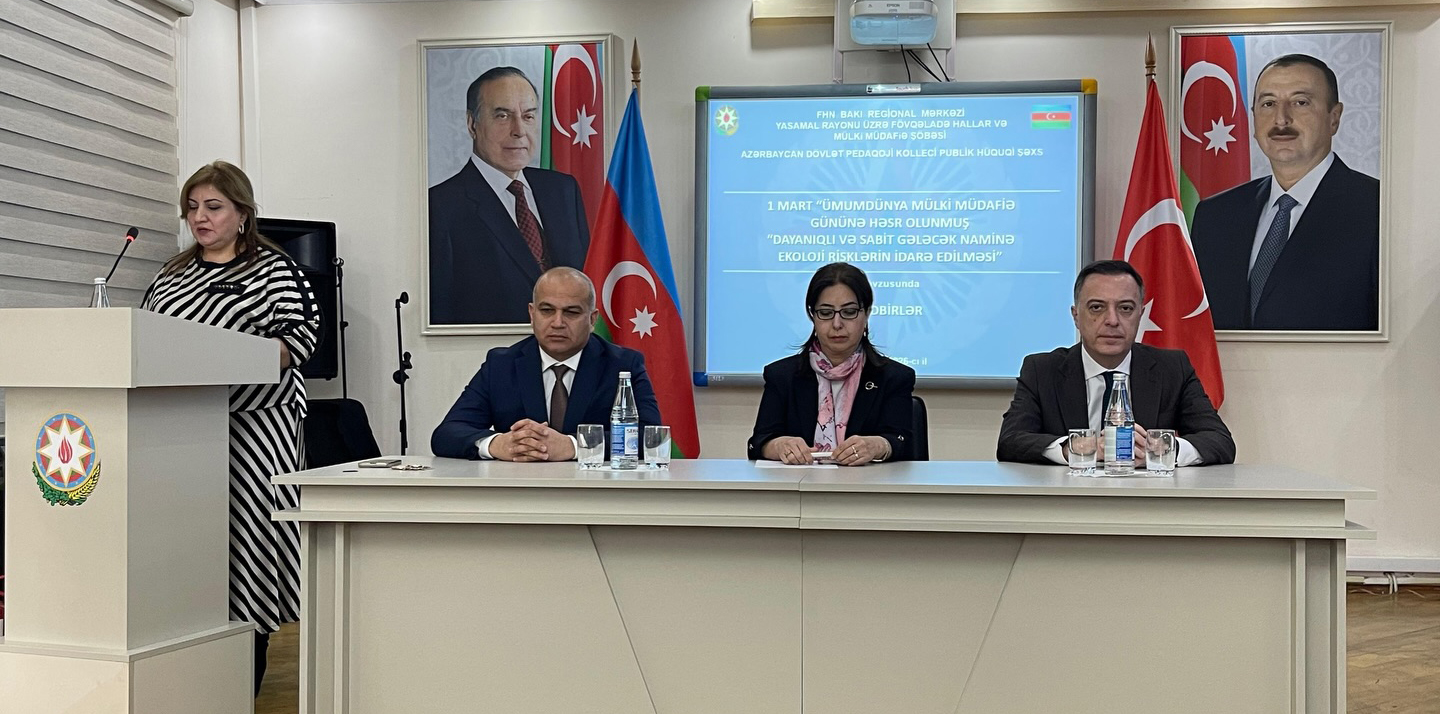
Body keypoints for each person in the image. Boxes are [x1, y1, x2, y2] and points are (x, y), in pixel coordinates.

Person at [141, 160, 319, 695]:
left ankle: (243, 685)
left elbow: (300, 340)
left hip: (255, 430)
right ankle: (192, 679)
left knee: (248, 551)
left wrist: (235, 357)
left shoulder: (273, 269)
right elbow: (146, 339)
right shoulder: (172, 274)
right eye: (192, 207)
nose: (200, 217)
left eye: (213, 207)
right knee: (190, 548)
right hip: (181, 429)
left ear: (242, 214)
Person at [1191, 53, 1379, 331]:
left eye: (1300, 102)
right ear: (1253, 119)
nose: (1281, 119)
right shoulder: (1215, 215)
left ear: (1334, 118)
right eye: (1268, 104)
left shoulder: (1378, 208)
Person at [997, 260, 1235, 466]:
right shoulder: (1042, 371)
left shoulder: (1172, 368)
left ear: (1140, 315)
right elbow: (1010, 441)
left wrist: (1162, 449)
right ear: (1076, 316)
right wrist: (1077, 448)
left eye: (1125, 308)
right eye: (1096, 308)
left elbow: (1220, 441)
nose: (1112, 320)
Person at [432, 267, 660, 460]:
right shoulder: (501, 365)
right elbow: (447, 434)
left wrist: (574, 446)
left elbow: (650, 436)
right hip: (522, 491)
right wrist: (496, 444)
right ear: (532, 314)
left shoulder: (623, 365)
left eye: (571, 312)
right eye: (547, 310)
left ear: (592, 319)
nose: (557, 322)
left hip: (595, 492)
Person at [429, 66, 591, 326]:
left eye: (528, 116)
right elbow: (441, 316)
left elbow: (586, 284)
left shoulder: (563, 190)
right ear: (472, 124)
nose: (519, 130)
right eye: (502, 116)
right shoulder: (440, 207)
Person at [748, 262, 915, 466]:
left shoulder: (894, 377)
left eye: (849, 312)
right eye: (826, 313)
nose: (837, 324)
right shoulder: (782, 376)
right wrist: (779, 445)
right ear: (812, 315)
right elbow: (758, 443)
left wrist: (878, 446)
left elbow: (904, 443)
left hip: (866, 484)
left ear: (867, 313)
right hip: (799, 483)